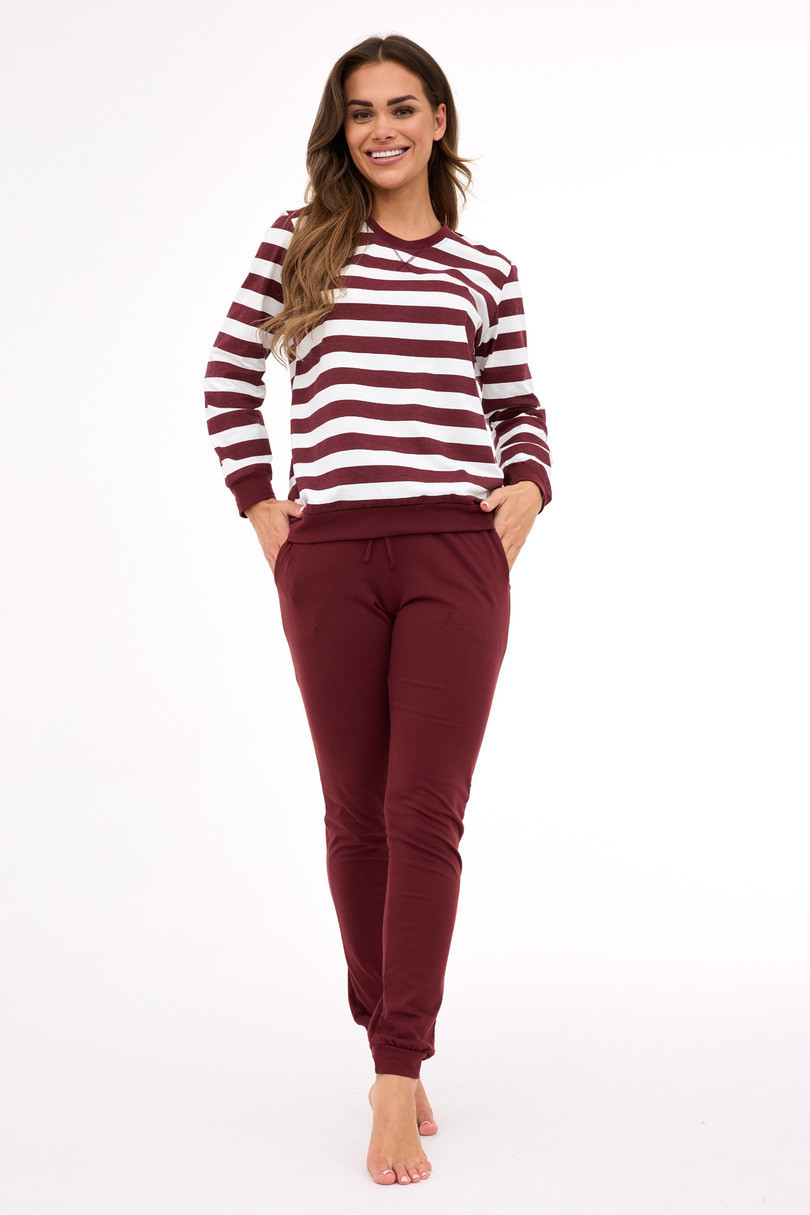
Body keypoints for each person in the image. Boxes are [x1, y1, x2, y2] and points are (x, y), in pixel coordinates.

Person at [203, 33, 552, 1187]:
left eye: (403, 107)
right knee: (355, 815)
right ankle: (384, 1047)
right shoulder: (300, 241)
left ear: (439, 120)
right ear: (341, 130)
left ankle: (399, 1073)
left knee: (423, 811)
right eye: (361, 112)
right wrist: (262, 507)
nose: (383, 128)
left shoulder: (486, 270)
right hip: (331, 556)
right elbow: (227, 377)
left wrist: (530, 484)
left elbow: (517, 404)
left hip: (455, 553)